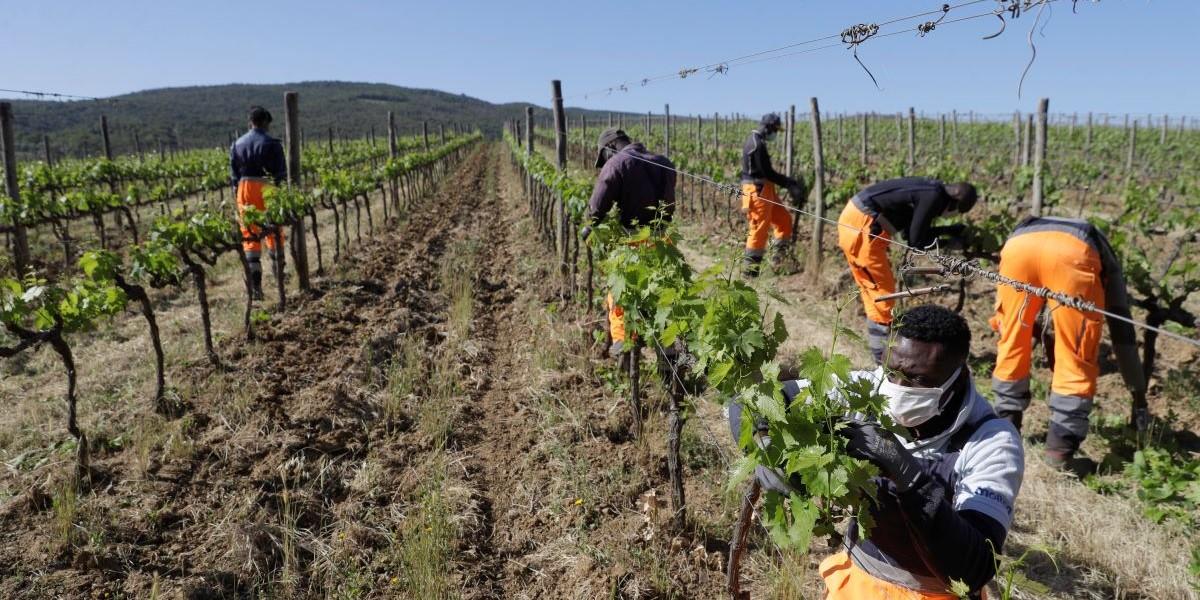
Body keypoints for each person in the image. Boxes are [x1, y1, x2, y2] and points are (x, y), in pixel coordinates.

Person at [729, 304, 1024, 599]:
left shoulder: (992, 441)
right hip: (858, 584)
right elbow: (752, 402)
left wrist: (907, 472)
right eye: (891, 371)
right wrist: (763, 441)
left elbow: (976, 567)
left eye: (917, 379)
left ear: (956, 379)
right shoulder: (867, 391)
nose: (897, 388)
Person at [989, 216, 1147, 469]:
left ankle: (1002, 434)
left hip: (1018, 246)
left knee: (1012, 341)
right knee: (1076, 353)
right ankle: (1058, 453)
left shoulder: (1031, 226)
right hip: (1074, 252)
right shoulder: (1106, 256)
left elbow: (1038, 326)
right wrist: (1138, 392)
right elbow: (1122, 329)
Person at [838, 177, 977, 364]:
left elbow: (909, 233)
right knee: (883, 295)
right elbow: (915, 241)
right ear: (955, 203)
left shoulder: (932, 188)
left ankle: (880, 352)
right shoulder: (934, 197)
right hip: (862, 227)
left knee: (875, 293)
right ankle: (881, 359)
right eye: (957, 212)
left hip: (859, 222)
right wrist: (950, 239)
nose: (951, 215)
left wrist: (949, 230)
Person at [581, 127, 677, 358]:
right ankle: (669, 355)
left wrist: (588, 228)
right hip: (662, 240)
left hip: (632, 241)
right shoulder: (664, 162)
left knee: (621, 294)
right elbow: (669, 206)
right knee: (663, 298)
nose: (604, 160)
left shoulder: (616, 164)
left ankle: (624, 348)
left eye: (603, 155)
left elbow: (597, 207)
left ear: (611, 146)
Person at [230, 106, 287, 300]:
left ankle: (256, 289)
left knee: (250, 234)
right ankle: (280, 278)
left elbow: (234, 177)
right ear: (265, 122)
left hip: (244, 189)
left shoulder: (236, 144)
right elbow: (280, 174)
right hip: (266, 188)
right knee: (274, 231)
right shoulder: (272, 144)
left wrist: (238, 195)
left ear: (250, 122)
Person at [740, 113, 806, 277]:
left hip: (766, 189)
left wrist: (788, 183)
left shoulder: (758, 141)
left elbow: (767, 174)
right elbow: (767, 172)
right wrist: (789, 183)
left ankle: (779, 261)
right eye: (776, 130)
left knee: (784, 220)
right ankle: (750, 272)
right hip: (757, 190)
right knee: (758, 229)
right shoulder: (756, 144)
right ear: (769, 128)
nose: (776, 134)